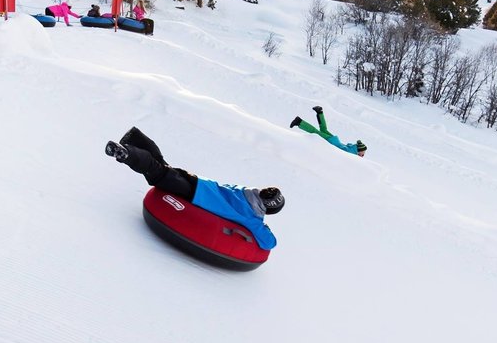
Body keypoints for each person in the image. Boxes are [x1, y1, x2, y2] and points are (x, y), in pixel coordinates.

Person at [104, 127, 282, 250]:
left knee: (163, 166)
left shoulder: (244, 190)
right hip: (194, 194)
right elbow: (269, 243)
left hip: (197, 181)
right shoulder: (253, 218)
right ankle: (126, 154)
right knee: (157, 173)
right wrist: (263, 224)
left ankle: (133, 138)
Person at [290, 106, 367, 157]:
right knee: (315, 132)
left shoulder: (353, 148)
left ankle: (320, 112)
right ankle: (299, 122)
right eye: (362, 154)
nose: (362, 156)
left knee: (323, 129)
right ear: (359, 151)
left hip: (334, 139)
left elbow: (349, 145)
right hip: (331, 141)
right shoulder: (351, 153)